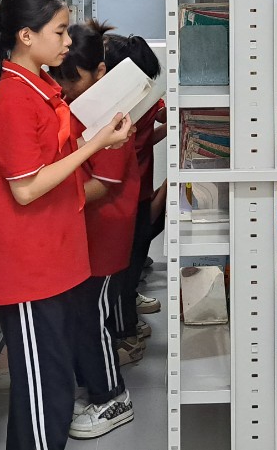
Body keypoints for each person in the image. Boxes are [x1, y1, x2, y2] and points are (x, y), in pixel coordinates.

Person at [0, 0, 133, 450]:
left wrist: (100, 138)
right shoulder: (13, 99)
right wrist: (97, 144)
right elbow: (26, 188)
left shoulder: (42, 88)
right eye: (60, 31)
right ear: (26, 35)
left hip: (55, 258)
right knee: (42, 390)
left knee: (56, 382)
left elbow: (52, 161)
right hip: (30, 269)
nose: (68, 41)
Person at [49, 20, 140, 439]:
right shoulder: (80, 106)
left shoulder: (111, 114)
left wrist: (49, 196)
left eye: (74, 79)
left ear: (100, 72)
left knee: (91, 316)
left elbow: (103, 184)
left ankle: (112, 398)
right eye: (60, 78)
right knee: (82, 314)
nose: (65, 88)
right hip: (84, 230)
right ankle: (96, 387)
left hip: (104, 233)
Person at [103, 32, 166, 338]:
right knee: (127, 261)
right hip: (126, 191)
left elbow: (148, 133)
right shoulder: (117, 109)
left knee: (133, 257)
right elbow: (141, 141)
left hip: (137, 187)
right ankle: (124, 328)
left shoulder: (141, 98)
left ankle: (127, 318)